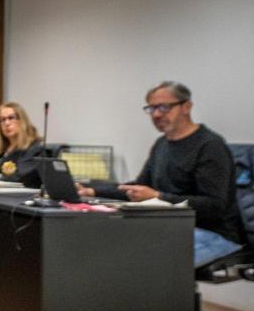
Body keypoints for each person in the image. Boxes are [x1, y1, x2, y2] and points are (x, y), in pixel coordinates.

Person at [77, 81, 245, 267]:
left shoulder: (210, 146)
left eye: (164, 107)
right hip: (171, 226)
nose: (156, 114)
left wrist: (158, 197)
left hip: (214, 233)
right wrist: (90, 191)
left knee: (140, 263)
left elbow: (214, 206)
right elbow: (138, 188)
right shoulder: (162, 144)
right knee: (108, 247)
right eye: (151, 109)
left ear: (186, 106)